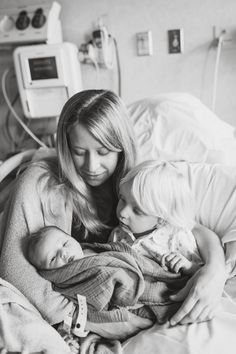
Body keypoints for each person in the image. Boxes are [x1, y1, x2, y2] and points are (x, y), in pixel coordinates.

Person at [0, 89, 230, 342]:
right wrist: (86, 319)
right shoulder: (40, 182)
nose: (91, 166)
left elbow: (188, 227)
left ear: (122, 147)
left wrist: (215, 270)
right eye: (79, 151)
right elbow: (13, 271)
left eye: (103, 152)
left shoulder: (133, 182)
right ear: (65, 147)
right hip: (73, 309)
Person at [26, 224, 191, 326]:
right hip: (133, 300)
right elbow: (94, 302)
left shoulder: (88, 249)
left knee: (174, 277)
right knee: (171, 301)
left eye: (65, 243)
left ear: (73, 239)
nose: (63, 253)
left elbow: (119, 251)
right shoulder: (69, 278)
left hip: (142, 269)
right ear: (49, 271)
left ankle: (185, 276)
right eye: (53, 258)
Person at [109, 159, 222, 277]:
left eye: (137, 211)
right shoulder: (118, 233)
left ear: (161, 219)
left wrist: (188, 267)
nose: (123, 212)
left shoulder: (177, 237)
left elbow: (203, 274)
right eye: (122, 199)